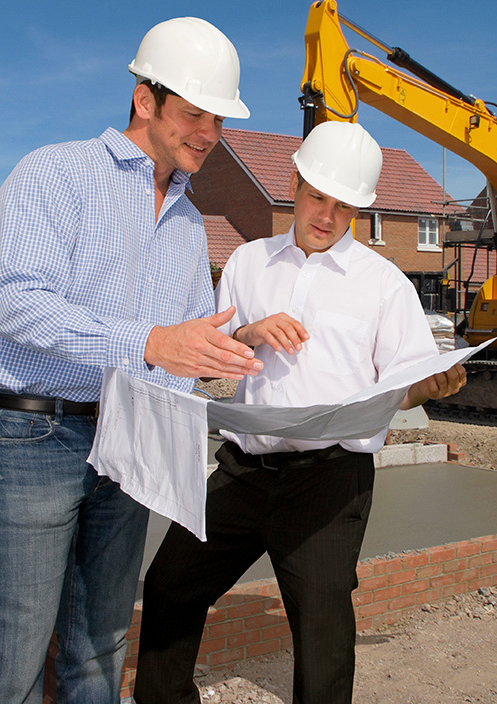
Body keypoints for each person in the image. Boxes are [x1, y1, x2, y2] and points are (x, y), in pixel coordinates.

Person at [0, 17, 261, 704]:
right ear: (144, 100)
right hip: (33, 435)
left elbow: (182, 344)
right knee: (9, 662)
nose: (208, 134)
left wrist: (235, 342)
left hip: (129, 438)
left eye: (218, 118)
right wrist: (150, 342)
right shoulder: (53, 174)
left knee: (100, 651)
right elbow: (22, 307)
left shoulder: (188, 221)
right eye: (194, 114)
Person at [133, 121, 467, 704]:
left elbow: (401, 389)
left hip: (328, 480)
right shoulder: (247, 262)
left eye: (344, 207)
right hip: (244, 469)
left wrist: (427, 388)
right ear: (294, 181)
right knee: (169, 586)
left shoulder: (385, 286)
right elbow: (208, 360)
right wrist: (246, 331)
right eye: (317, 197)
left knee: (322, 631)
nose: (327, 216)